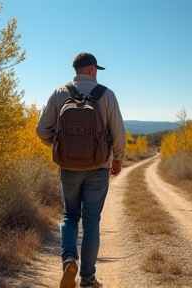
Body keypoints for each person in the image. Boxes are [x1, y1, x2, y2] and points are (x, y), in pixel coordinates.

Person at [36, 52, 126, 288]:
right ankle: (88, 279)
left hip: (68, 167)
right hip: (98, 168)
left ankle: (69, 260)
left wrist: (58, 145)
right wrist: (118, 159)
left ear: (77, 70)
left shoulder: (59, 94)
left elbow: (41, 130)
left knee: (70, 216)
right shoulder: (106, 94)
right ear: (92, 69)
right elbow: (118, 133)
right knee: (91, 221)